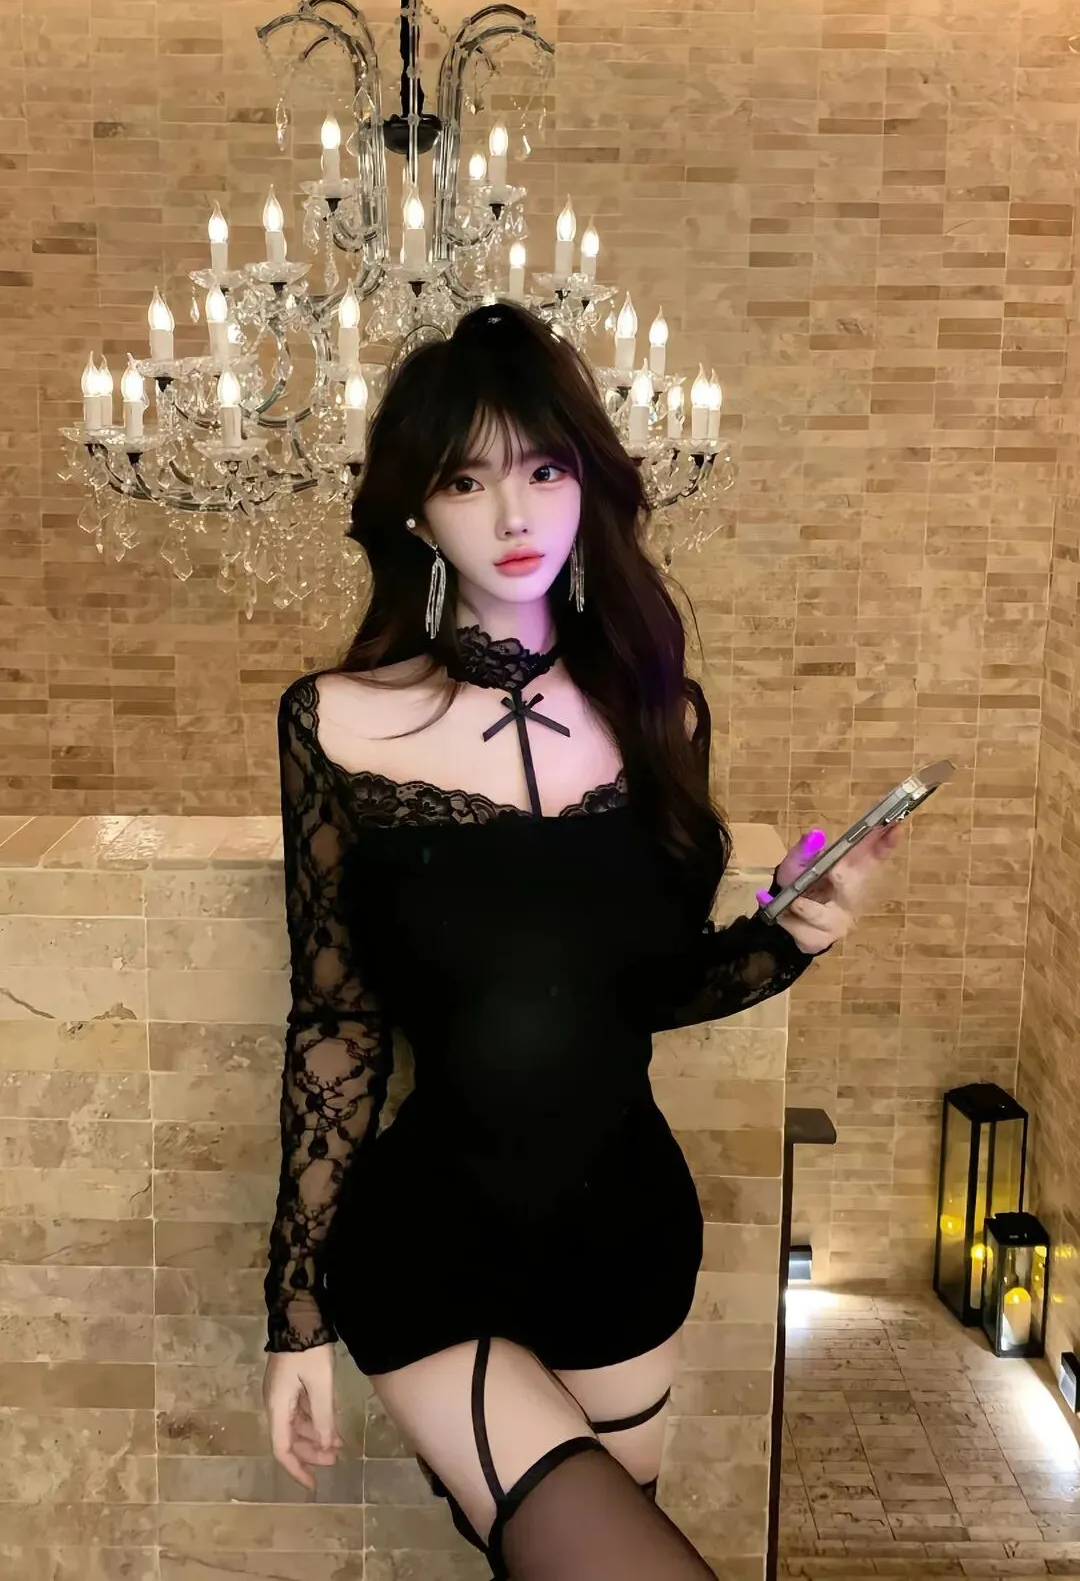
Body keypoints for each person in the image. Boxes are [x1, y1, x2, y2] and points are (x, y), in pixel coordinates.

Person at [262, 302, 899, 1579]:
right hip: (432, 1241)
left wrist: (794, 938)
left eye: (545, 469)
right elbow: (337, 1023)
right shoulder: (333, 722)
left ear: (588, 481)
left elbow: (642, 989)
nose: (515, 513)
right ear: (416, 511)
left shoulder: (661, 713)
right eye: (467, 479)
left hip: (624, 1241)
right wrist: (297, 1312)